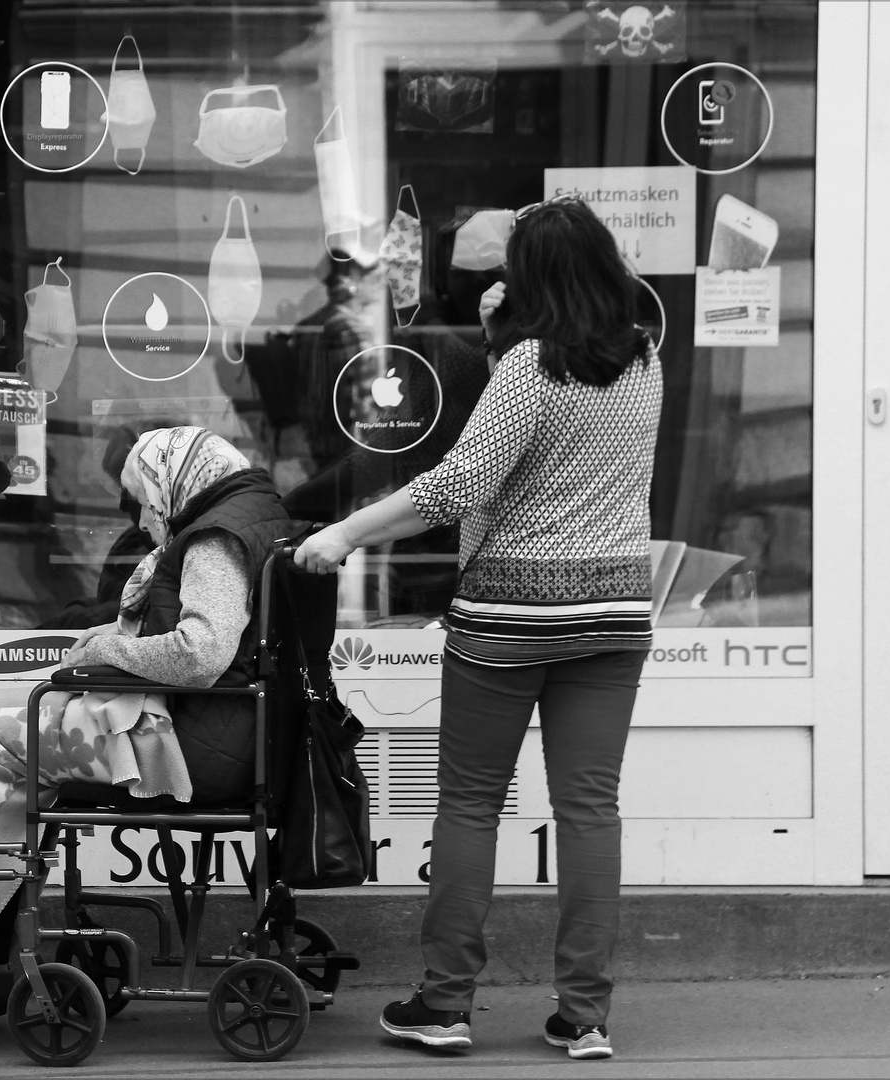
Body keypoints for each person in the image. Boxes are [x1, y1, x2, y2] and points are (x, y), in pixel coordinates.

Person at [295, 196, 661, 1061]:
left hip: (508, 618)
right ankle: (585, 1016)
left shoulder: (530, 368)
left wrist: (344, 532)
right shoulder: (644, 359)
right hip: (612, 616)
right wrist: (504, 335)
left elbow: (456, 485)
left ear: (527, 280)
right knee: (589, 811)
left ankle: (448, 1002)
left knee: (467, 805)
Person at [0, 427, 305, 1012]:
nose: (144, 518)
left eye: (144, 500)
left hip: (181, 744)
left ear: (173, 481)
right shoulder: (252, 512)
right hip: (200, 730)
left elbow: (199, 654)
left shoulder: (215, 538)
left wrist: (104, 653)